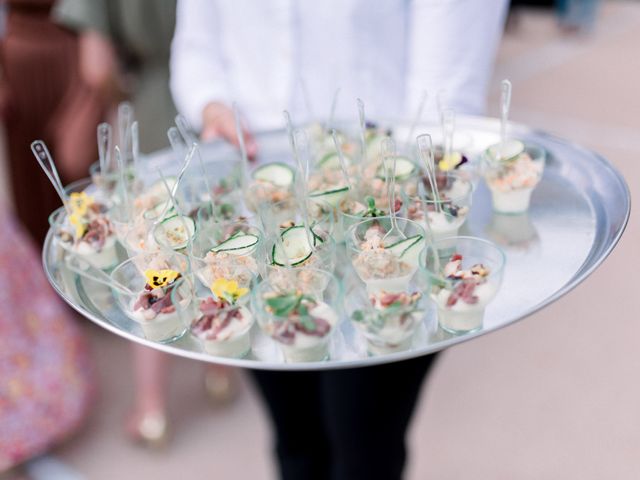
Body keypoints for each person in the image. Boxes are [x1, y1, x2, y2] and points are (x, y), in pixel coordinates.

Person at [171, 1, 508, 478]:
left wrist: (393, 184)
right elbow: (197, 46)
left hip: (387, 226)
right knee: (296, 440)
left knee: (364, 448)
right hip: (261, 218)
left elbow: (446, 87)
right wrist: (211, 103)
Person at [54, 0, 236, 448]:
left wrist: (128, 87)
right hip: (221, 106)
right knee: (215, 237)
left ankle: (153, 407)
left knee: (156, 263)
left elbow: (96, 69)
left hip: (154, 109)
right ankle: (220, 365)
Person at [0, 0, 103, 245]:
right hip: (18, 74)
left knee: (77, 176)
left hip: (72, 62)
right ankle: (39, 269)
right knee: (30, 181)